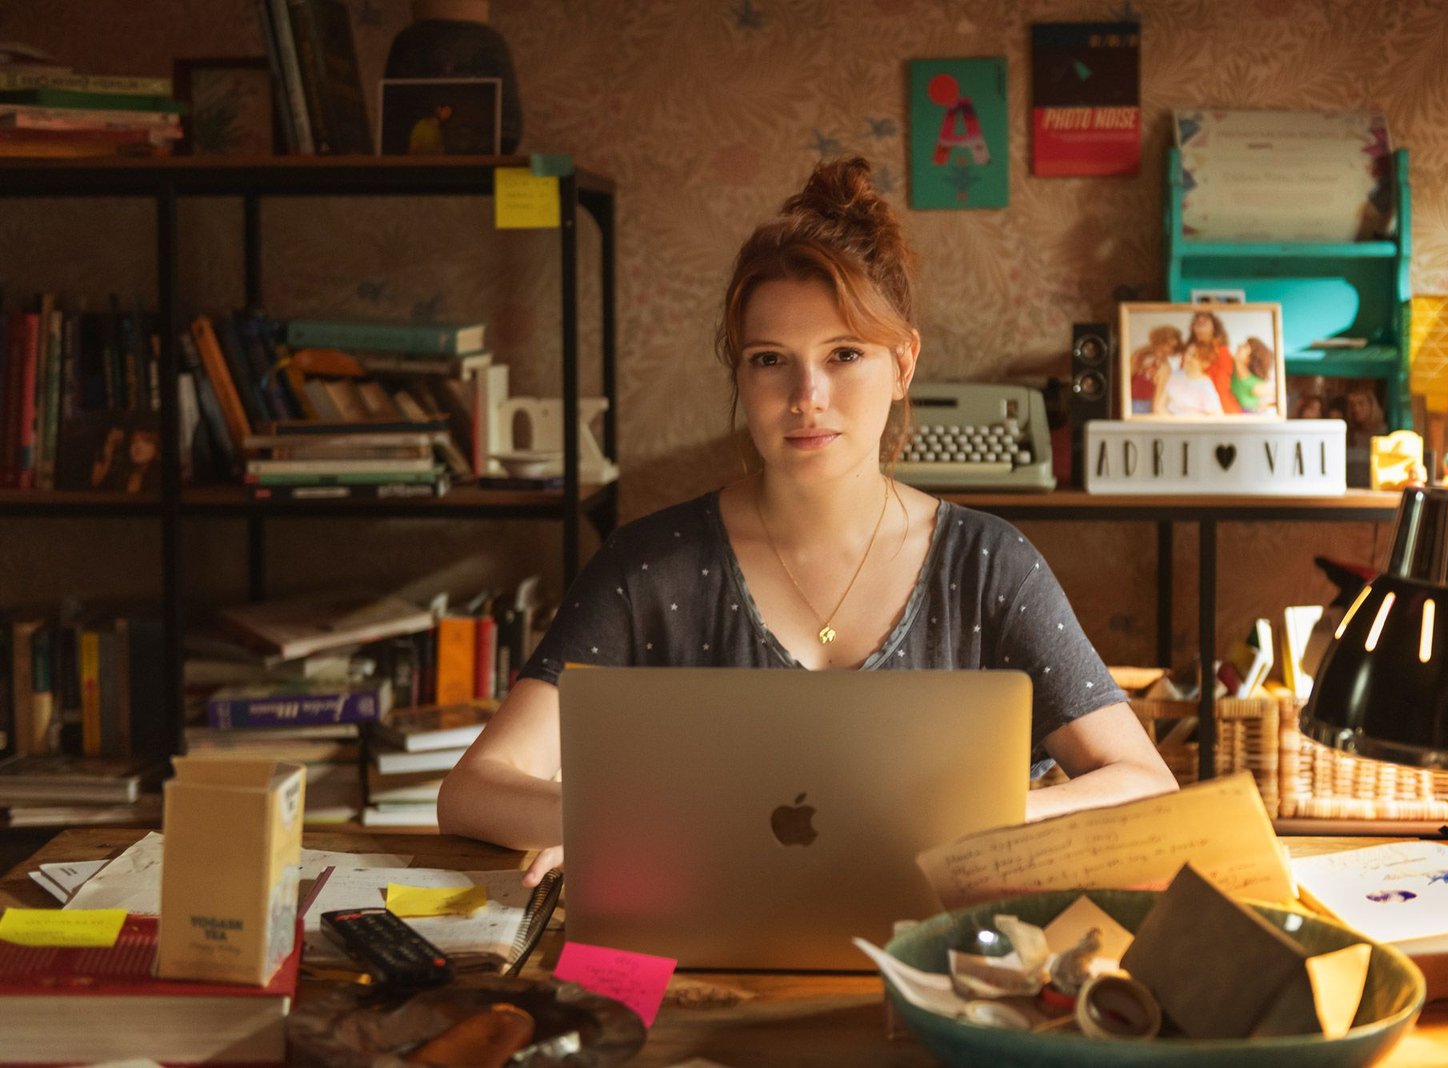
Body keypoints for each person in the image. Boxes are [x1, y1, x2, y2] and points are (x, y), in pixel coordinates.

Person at [438, 158, 1177, 881]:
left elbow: (1147, 786)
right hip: (705, 970)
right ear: (740, 372)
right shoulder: (647, 566)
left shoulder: (989, 565)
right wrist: (633, 824)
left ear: (904, 364)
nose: (806, 396)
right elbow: (475, 790)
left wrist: (990, 812)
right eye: (769, 360)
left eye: (845, 354)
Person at [1185, 310, 1239, 414]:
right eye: (1197, 324)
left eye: (1204, 323)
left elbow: (1221, 385)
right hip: (1196, 407)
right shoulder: (1190, 351)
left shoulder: (1222, 351)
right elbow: (1185, 378)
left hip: (1221, 408)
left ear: (1214, 327)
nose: (1199, 328)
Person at [1155, 345, 1224, 416]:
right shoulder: (1176, 376)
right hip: (1172, 423)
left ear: (1205, 363)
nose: (1188, 358)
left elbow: (1216, 415)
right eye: (1188, 353)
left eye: (1194, 356)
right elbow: (1160, 406)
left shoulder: (1205, 384)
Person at [1129, 325, 1181, 415]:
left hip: (1137, 405)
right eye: (1168, 345)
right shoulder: (1139, 355)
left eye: (1173, 348)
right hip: (1143, 406)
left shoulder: (1140, 354)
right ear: (1159, 341)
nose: (1169, 350)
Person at [1229, 336, 1277, 414]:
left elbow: (1280, 396)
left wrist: (1263, 405)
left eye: (1245, 346)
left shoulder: (1255, 384)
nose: (1239, 346)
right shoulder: (1233, 368)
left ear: (1250, 358)